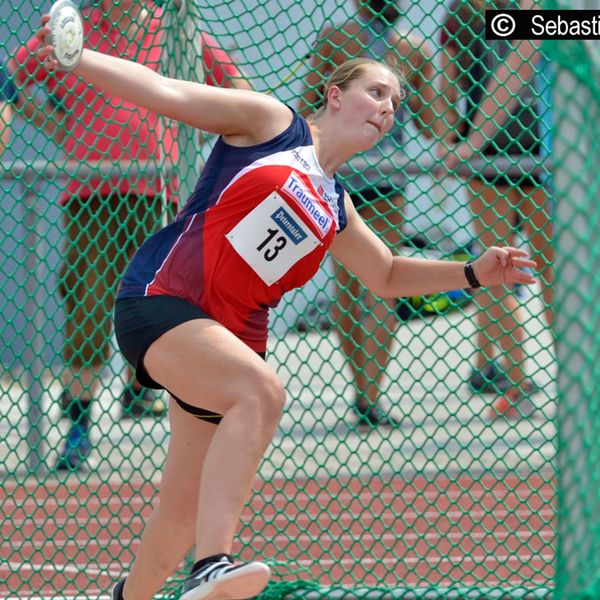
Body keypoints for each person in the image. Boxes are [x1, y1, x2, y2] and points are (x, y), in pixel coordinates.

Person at [37, 12, 536, 598]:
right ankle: (213, 565)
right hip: (163, 300)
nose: (387, 107)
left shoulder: (336, 205)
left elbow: (388, 274)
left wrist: (474, 272)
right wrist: (78, 59)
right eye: (375, 91)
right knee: (263, 392)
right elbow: (164, 92)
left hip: (222, 343)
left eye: (396, 102)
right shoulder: (273, 125)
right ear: (334, 94)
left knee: (179, 513)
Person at [9, 0, 251, 471]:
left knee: (166, 304)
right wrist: (52, 125)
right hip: (89, 193)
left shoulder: (179, 28)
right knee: (89, 305)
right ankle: (78, 426)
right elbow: (12, 76)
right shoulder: (71, 29)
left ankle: (145, 394)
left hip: (161, 190)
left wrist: (195, 138)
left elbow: (238, 95)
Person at [299, 0, 447, 428]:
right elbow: (433, 121)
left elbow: (308, 102)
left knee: (351, 285)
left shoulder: (337, 40)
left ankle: (364, 391)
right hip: (379, 174)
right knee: (381, 282)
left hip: (346, 171)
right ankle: (369, 392)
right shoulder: (410, 48)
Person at [438, 0, 554, 418]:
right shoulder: (534, 9)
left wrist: (452, 141)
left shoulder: (465, 11)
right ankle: (569, 382)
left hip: (496, 153)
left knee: (499, 270)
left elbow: (447, 85)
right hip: (537, 149)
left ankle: (520, 383)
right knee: (549, 273)